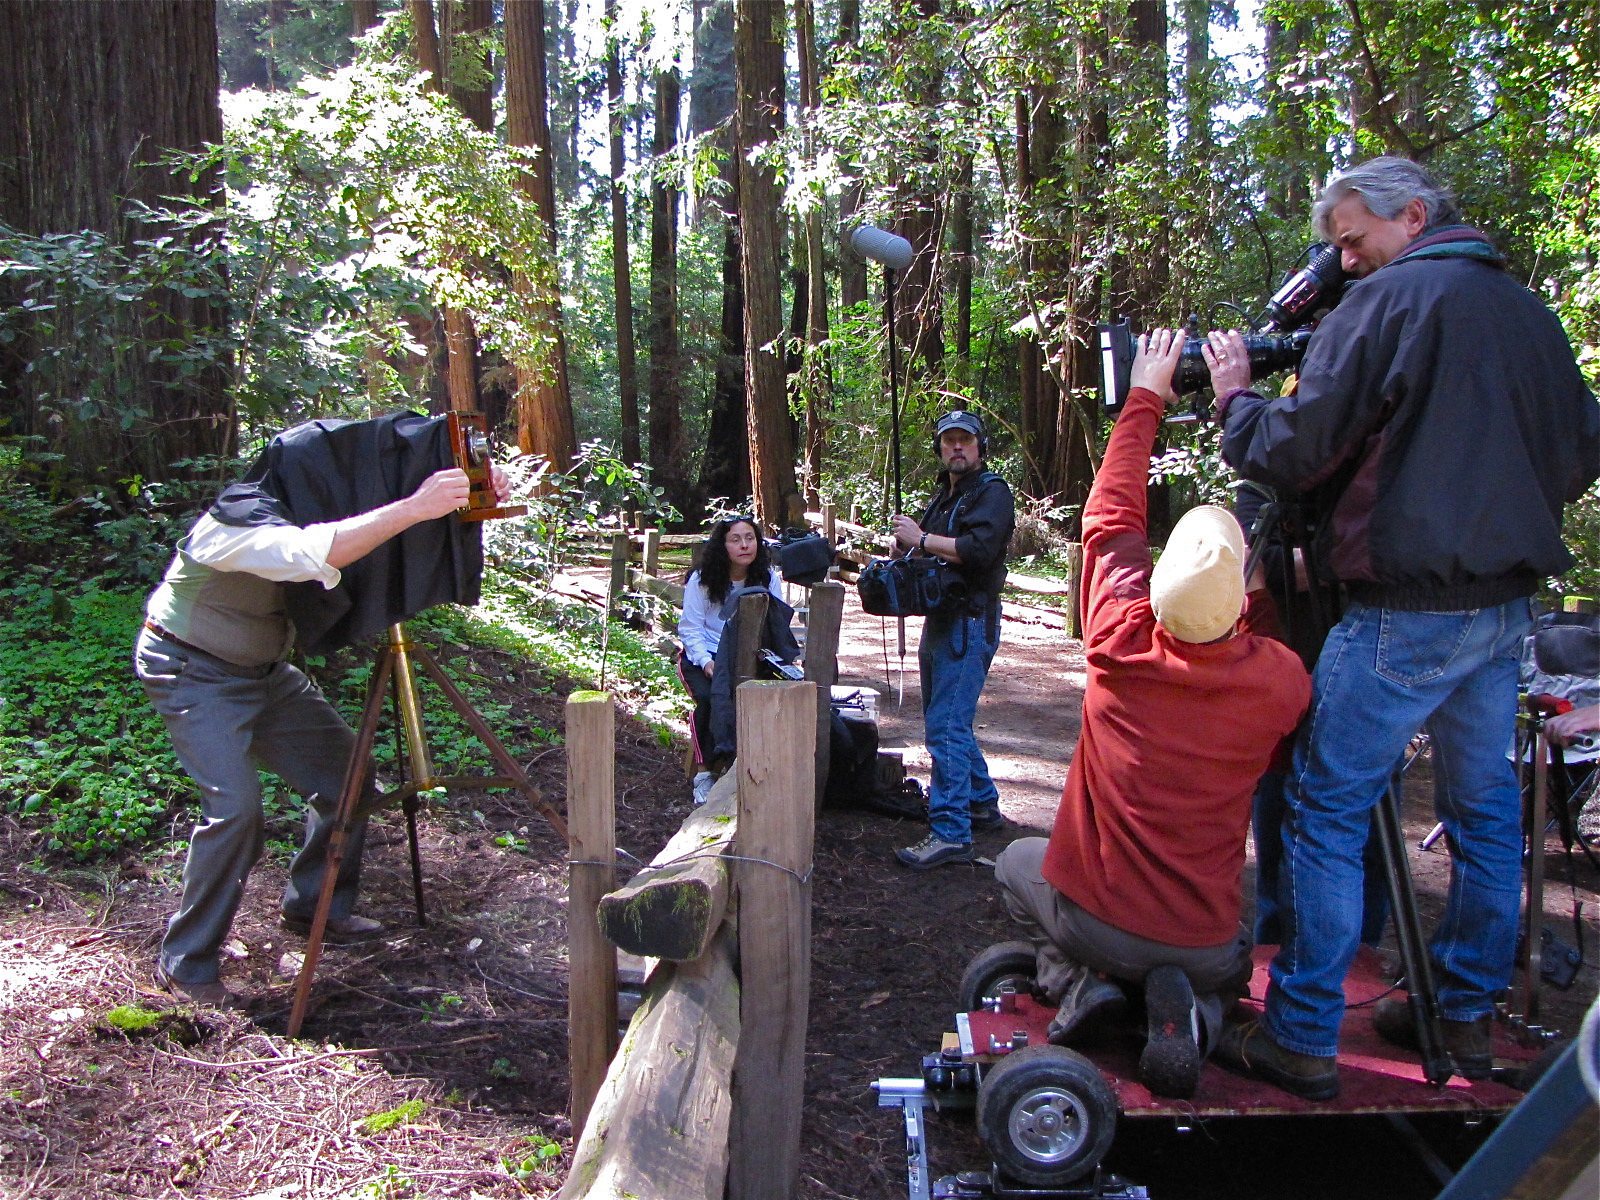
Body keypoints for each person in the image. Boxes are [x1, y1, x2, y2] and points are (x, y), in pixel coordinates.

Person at [1208, 156, 1600, 1100]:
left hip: (1405, 609)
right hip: (1501, 606)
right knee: (1483, 812)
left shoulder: (1383, 307)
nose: (1344, 261)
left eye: (1354, 239)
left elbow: (1293, 453)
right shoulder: (1527, 313)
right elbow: (1583, 443)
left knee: (1327, 809)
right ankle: (1460, 1011)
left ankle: (1301, 1034)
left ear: (1413, 215)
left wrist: (1233, 397)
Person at [994, 330, 1311, 1098]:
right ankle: (1196, 1010)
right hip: (1206, 942)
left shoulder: (1119, 641)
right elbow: (1258, 636)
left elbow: (1109, 524)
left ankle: (1081, 984)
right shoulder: (1278, 684)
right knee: (1221, 956)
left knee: (1014, 864)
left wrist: (1145, 396)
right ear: (1244, 599)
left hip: (1098, 919)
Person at [138, 421, 511, 1010]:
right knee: (235, 811)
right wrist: (415, 506)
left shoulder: (301, 503)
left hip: (265, 672)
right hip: (191, 667)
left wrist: (470, 497)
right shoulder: (231, 524)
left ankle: (315, 905)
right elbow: (314, 551)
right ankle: (186, 960)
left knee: (351, 783)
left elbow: (369, 524)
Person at [889, 411, 1016, 869]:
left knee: (945, 724)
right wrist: (906, 547)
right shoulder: (945, 495)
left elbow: (978, 551)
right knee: (947, 719)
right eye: (949, 442)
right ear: (941, 450)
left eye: (965, 440)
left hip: (969, 620)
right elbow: (927, 547)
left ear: (980, 447)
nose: (957, 448)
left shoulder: (992, 493)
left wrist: (922, 539)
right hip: (940, 618)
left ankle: (950, 831)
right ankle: (980, 801)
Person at [677, 516, 785, 802]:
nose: (744, 545)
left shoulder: (767, 577)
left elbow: (775, 623)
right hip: (705, 654)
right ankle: (703, 772)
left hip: (748, 653)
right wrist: (706, 661)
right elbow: (691, 628)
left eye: (749, 538)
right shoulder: (702, 579)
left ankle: (753, 767)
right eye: (735, 539)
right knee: (711, 698)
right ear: (722, 545)